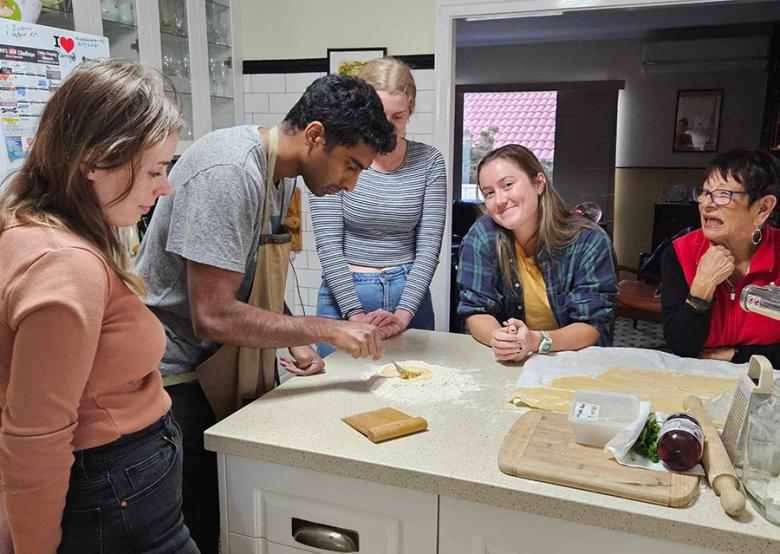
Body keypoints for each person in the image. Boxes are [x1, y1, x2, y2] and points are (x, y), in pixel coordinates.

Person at [134, 74, 396, 552]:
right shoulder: (230, 172)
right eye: (350, 165)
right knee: (200, 521)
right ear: (316, 136)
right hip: (175, 376)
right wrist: (324, 328)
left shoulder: (280, 177)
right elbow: (212, 314)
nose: (351, 184)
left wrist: (297, 339)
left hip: (215, 366)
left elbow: (255, 278)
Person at [0, 59, 197, 552]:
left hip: (120, 487)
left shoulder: (31, 226)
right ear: (94, 161)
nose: (164, 186)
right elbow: (36, 438)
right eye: (154, 169)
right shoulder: (65, 264)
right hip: (113, 494)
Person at [309, 57, 447, 356]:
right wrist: (356, 316)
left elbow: (429, 248)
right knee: (337, 396)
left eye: (398, 116)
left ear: (410, 110)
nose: (388, 127)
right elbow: (329, 246)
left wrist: (403, 314)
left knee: (413, 391)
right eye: (380, 116)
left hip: (409, 297)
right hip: (344, 296)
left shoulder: (430, 162)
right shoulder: (335, 157)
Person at [457, 144, 618, 362]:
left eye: (508, 185)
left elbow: (593, 325)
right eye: (489, 193)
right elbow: (476, 310)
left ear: (539, 183)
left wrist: (536, 340)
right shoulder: (482, 236)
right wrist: (500, 339)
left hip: (575, 358)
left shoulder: (589, 241)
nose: (500, 200)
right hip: (512, 361)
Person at [661, 148, 780, 366]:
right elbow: (680, 345)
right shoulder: (680, 252)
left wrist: (736, 355)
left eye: (724, 195)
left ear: (763, 208)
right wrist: (703, 286)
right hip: (699, 378)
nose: (707, 204)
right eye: (705, 193)